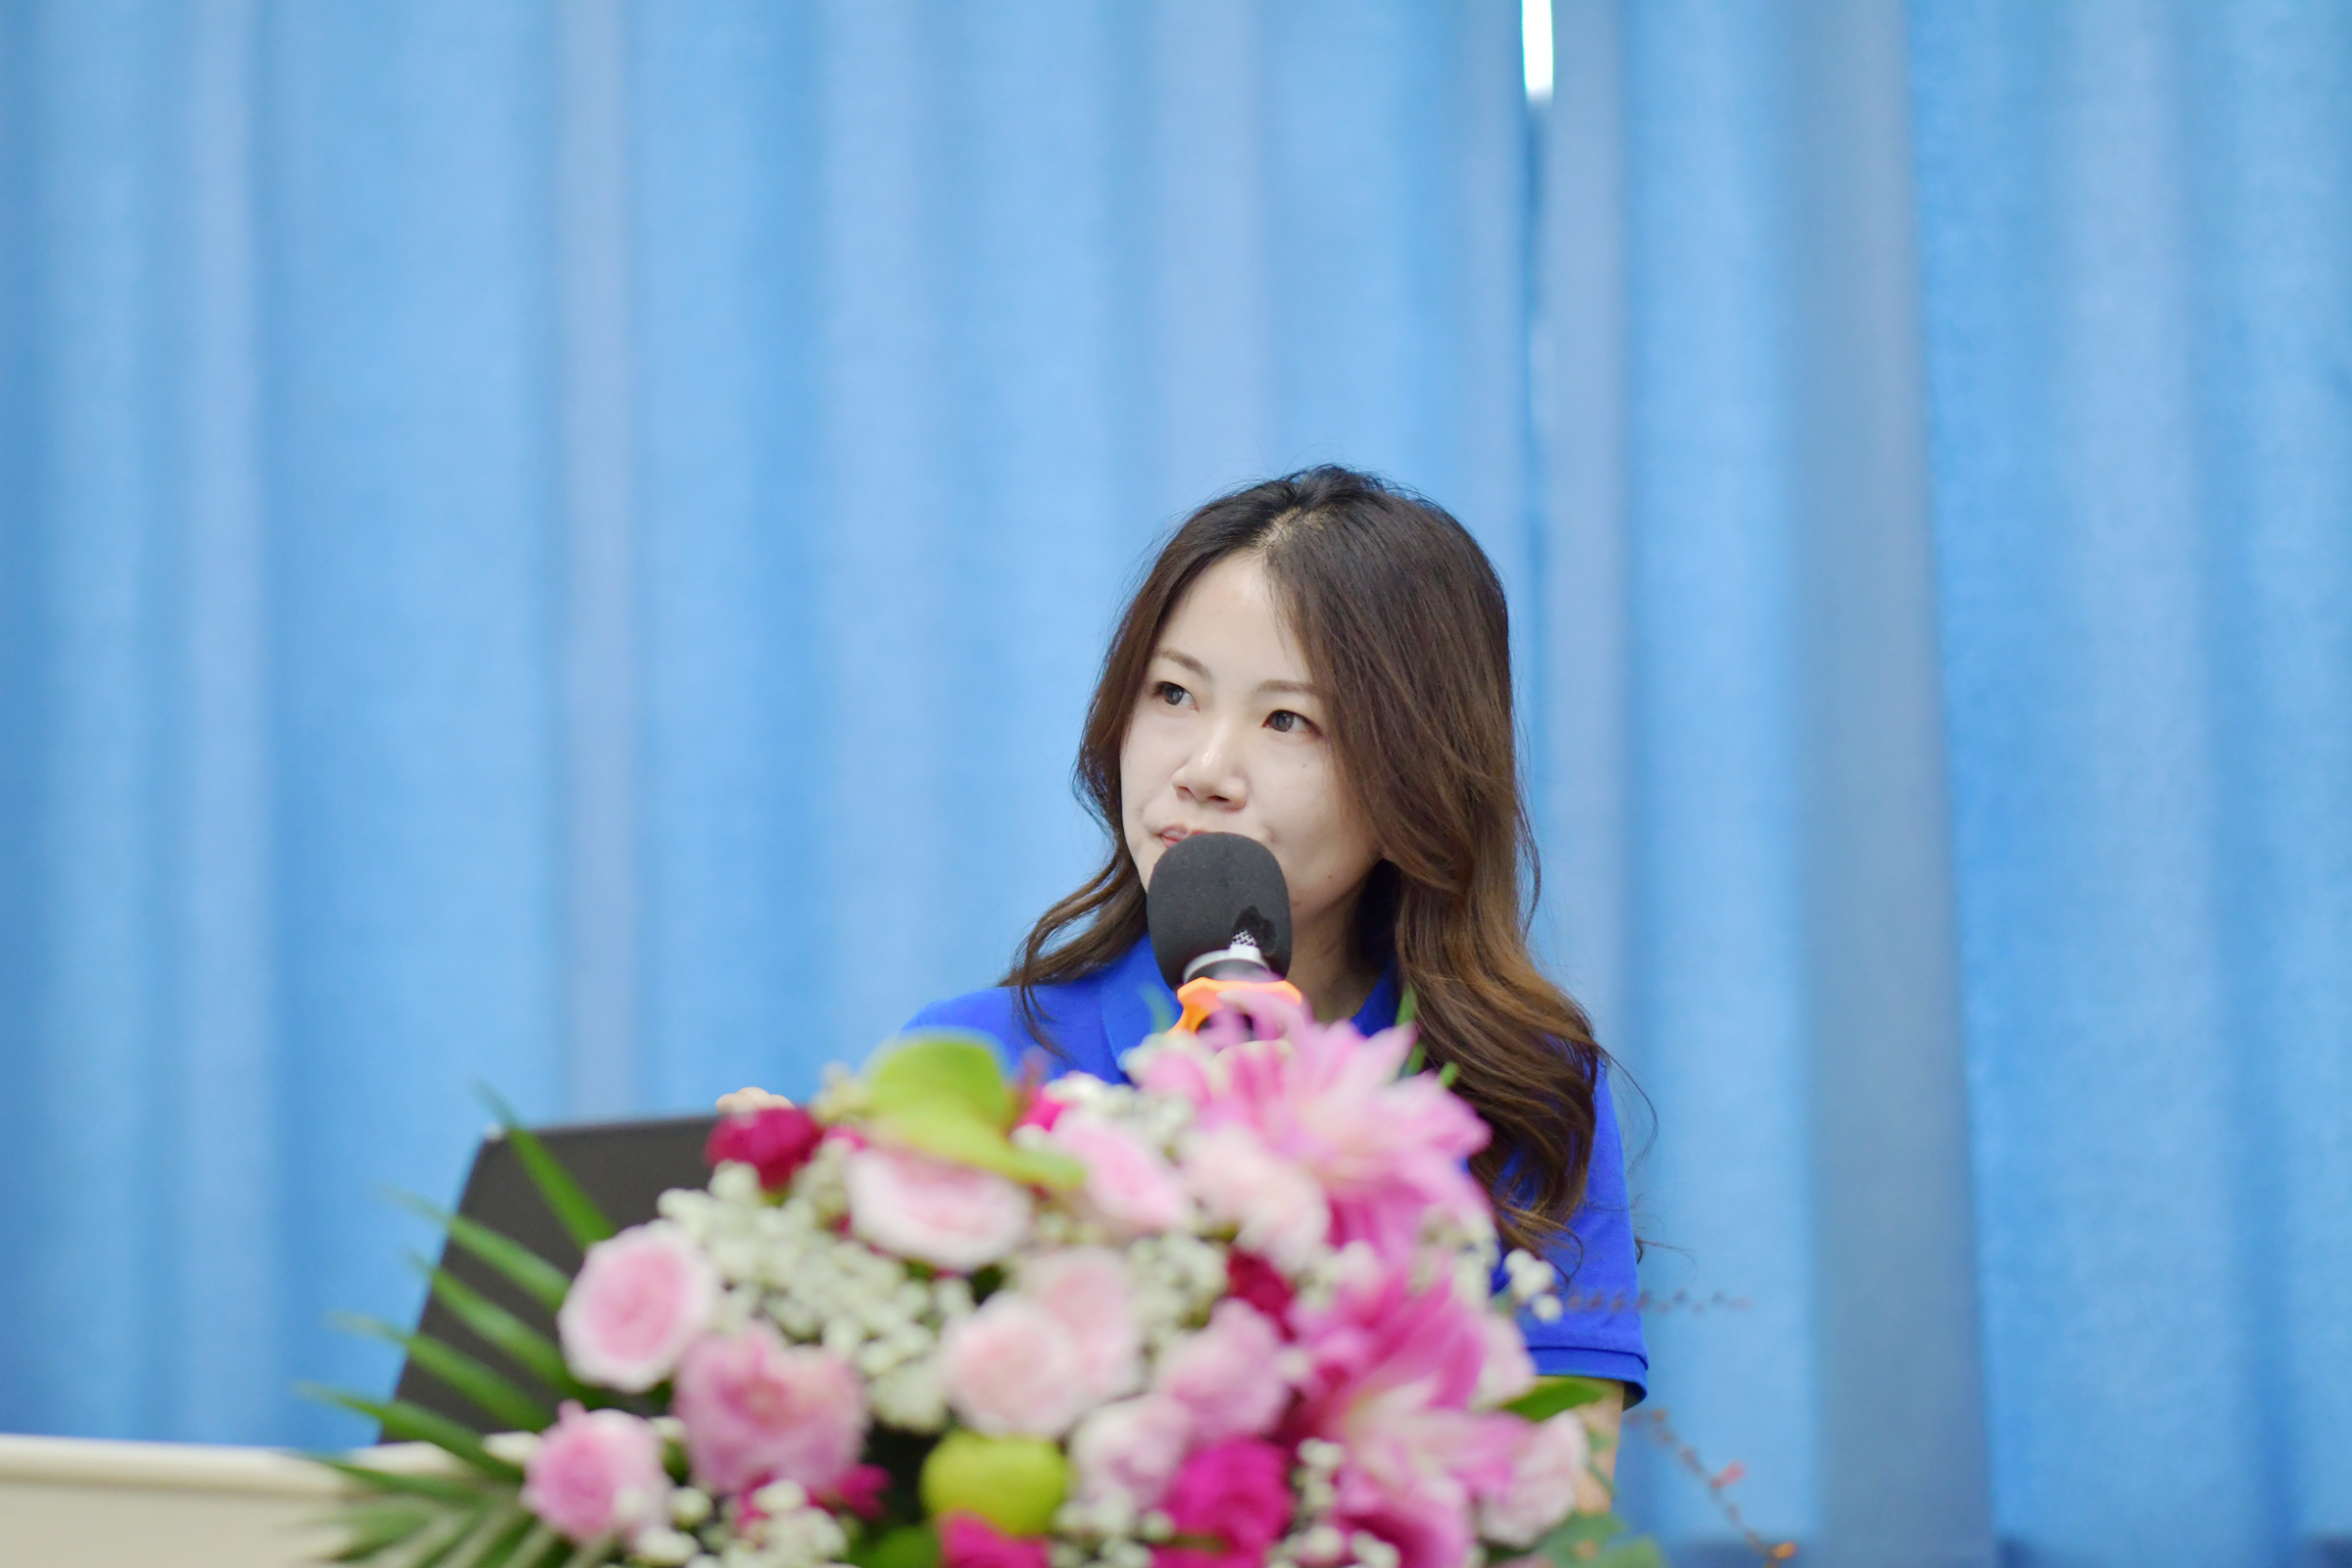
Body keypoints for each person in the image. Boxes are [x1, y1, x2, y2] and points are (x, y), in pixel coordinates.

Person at [731, 466, 1645, 1476]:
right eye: (1172, 693)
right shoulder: (972, 1060)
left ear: (1417, 774)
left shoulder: (1522, 1094)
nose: (1203, 769)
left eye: (1288, 720)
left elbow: (1561, 1507)